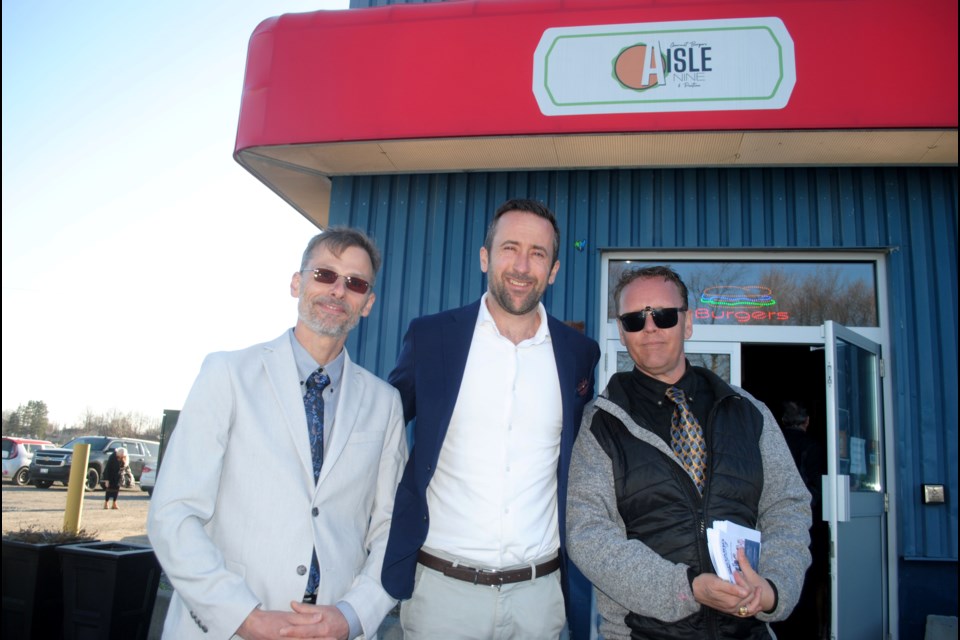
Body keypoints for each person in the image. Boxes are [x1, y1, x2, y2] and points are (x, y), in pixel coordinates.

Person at [147, 228, 408, 640]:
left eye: (355, 283)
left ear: (368, 303)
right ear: (296, 282)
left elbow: (390, 527)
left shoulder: (384, 402)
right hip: (229, 630)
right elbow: (174, 514)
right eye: (325, 274)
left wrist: (353, 615)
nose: (338, 291)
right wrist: (244, 617)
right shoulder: (227, 375)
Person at [381, 198, 601, 639]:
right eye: (509, 248)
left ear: (554, 270)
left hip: (537, 600)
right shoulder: (432, 337)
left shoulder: (578, 354)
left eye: (537, 253)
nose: (522, 265)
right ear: (484, 257)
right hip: (442, 596)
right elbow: (378, 428)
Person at [567, 265, 812, 640]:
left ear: (688, 323)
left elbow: (787, 506)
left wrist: (774, 587)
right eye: (634, 319)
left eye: (663, 315)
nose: (650, 328)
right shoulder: (601, 424)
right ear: (621, 332)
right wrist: (687, 588)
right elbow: (588, 533)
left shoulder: (749, 412)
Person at [770, 400, 829, 640]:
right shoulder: (813, 446)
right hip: (807, 521)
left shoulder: (773, 441)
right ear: (807, 422)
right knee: (805, 574)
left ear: (783, 421)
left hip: (772, 518)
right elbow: (816, 487)